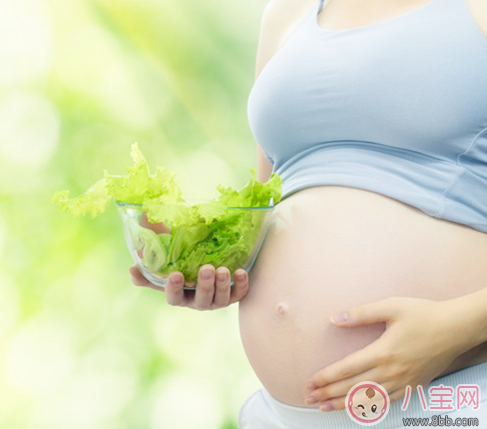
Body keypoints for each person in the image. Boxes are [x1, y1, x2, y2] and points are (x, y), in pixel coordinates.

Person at [130, 0, 487, 427]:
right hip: (285, 415)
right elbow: (267, 208)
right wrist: (202, 257)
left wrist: (456, 328)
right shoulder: (286, 14)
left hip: (450, 401)